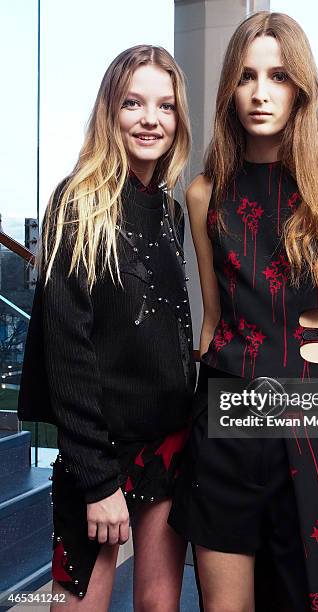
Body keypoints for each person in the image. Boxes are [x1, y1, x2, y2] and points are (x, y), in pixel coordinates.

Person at [168, 12, 318, 612]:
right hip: (225, 432)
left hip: (316, 430)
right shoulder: (204, 192)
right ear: (229, 87)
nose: (261, 93)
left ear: (301, 87)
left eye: (279, 76)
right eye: (247, 76)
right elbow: (212, 324)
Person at [18, 45, 196, 612]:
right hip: (98, 450)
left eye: (165, 107)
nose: (151, 119)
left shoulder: (170, 212)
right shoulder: (78, 202)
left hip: (168, 441)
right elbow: (67, 353)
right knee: (77, 605)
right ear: (109, 112)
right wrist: (97, 482)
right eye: (134, 103)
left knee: (160, 604)